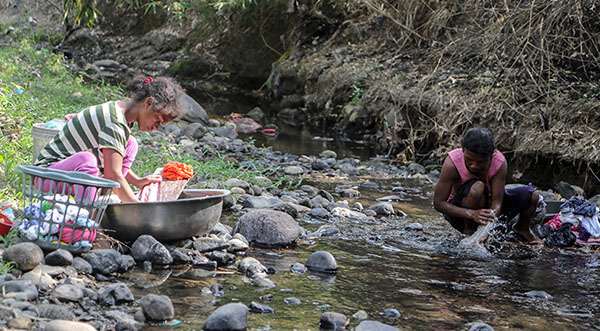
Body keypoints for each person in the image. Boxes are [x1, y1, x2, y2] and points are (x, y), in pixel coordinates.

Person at [34, 75, 185, 203]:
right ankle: (89, 218)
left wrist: (137, 181)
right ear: (148, 103)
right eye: (157, 120)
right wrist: (138, 207)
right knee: (86, 160)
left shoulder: (122, 116)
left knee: (130, 144)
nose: (156, 127)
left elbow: (113, 161)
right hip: (48, 176)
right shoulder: (115, 122)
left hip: (69, 176)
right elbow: (113, 174)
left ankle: (106, 194)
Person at [433, 128, 539, 242]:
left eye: (481, 162)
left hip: (487, 209)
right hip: (461, 214)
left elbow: (497, 203)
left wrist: (486, 229)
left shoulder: (499, 162)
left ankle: (522, 228)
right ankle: (468, 231)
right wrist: (472, 214)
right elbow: (439, 203)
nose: (474, 166)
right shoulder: (452, 163)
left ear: (491, 156)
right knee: (477, 187)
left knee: (532, 195)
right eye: (469, 160)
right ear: (463, 149)